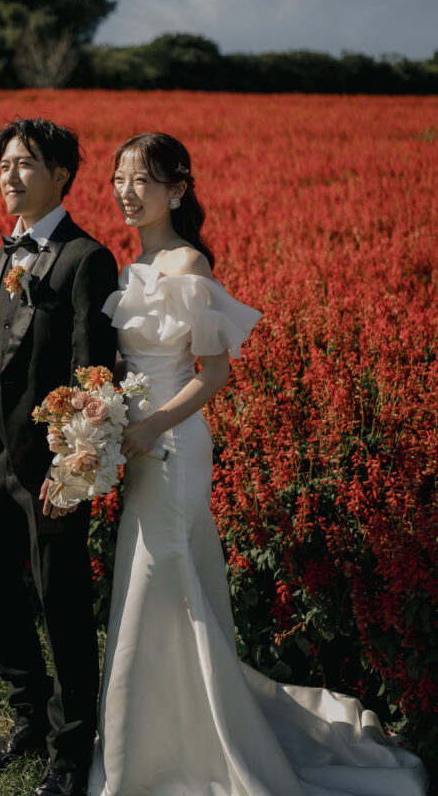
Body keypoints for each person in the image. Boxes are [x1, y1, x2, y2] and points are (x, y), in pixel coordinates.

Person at [88, 132, 427, 796]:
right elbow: (127, 364)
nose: (127, 192)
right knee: (146, 583)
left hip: (175, 443)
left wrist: (152, 422)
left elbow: (213, 374)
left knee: (170, 578)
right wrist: (99, 412)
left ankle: (195, 743)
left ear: (176, 190)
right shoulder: (132, 265)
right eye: (118, 180)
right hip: (134, 443)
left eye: (142, 181)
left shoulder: (189, 268)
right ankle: (150, 734)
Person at [0, 117, 119, 796]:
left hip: (51, 465)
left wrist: (75, 466)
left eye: (23, 163)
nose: (8, 175)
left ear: (59, 173)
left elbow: (93, 370)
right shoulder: (6, 253)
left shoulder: (85, 258)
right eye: (2, 164)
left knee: (61, 602)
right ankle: (29, 711)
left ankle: (69, 748)